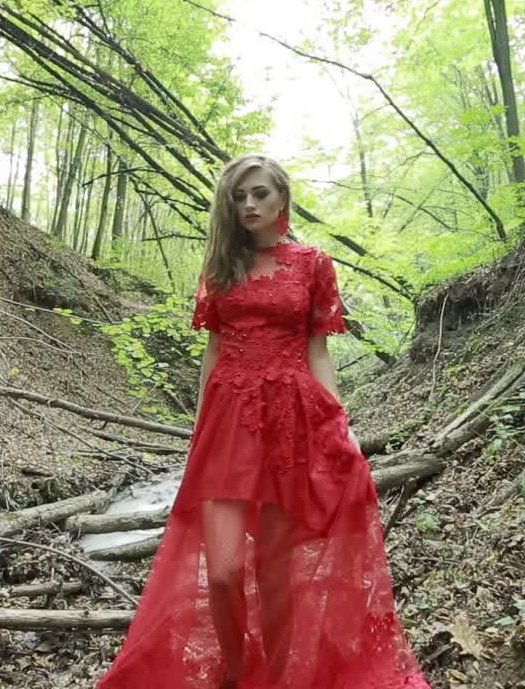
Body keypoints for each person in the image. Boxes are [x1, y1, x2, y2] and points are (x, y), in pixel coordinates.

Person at [97, 155, 429, 689]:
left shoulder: (314, 264)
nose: (248, 204)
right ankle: (233, 669)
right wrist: (199, 430)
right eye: (238, 196)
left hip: (293, 422)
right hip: (229, 422)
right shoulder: (220, 268)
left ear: (282, 201)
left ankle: (275, 678)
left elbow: (318, 352)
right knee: (225, 571)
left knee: (276, 573)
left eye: (258, 194)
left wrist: (336, 423)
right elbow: (213, 351)